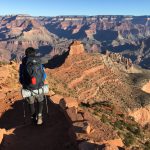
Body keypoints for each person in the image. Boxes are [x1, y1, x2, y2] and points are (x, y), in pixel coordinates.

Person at [19, 47, 47, 125]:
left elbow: (21, 77)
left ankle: (33, 117)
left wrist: (24, 83)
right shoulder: (39, 62)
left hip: (28, 88)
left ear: (26, 54)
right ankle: (40, 117)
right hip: (39, 87)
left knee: (31, 103)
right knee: (40, 101)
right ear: (34, 53)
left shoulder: (23, 64)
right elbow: (44, 75)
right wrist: (41, 82)